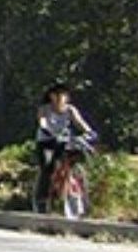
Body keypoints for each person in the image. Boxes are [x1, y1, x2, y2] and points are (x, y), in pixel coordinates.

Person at [33, 83, 95, 214]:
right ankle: (41, 200)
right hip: (46, 142)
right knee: (47, 168)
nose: (62, 97)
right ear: (51, 96)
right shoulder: (45, 109)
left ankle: (79, 195)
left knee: (76, 159)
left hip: (64, 141)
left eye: (64, 95)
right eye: (58, 95)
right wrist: (47, 130)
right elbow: (42, 122)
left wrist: (89, 132)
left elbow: (80, 123)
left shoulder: (70, 110)